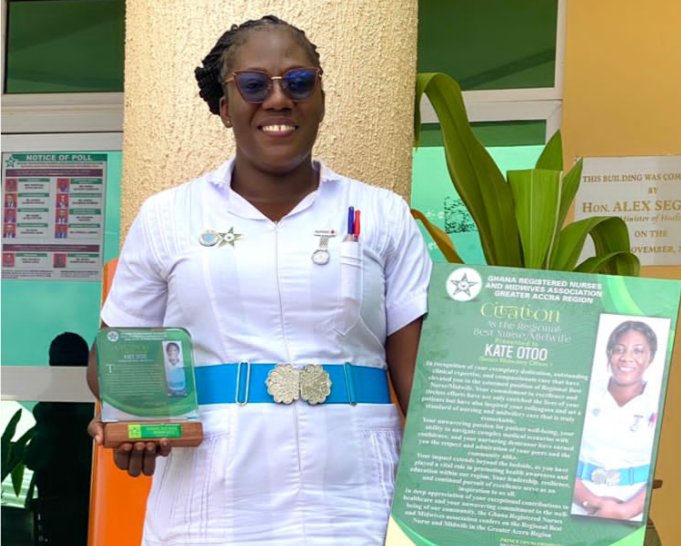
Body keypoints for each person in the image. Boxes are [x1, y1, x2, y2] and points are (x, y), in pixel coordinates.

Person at [86, 15, 431, 546]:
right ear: (225, 106)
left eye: (299, 82)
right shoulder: (168, 216)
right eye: (253, 85)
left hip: (355, 496)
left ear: (320, 97)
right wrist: (135, 417)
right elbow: (115, 355)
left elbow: (419, 377)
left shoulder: (382, 214)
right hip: (212, 495)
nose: (278, 100)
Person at [572, 320, 659, 521]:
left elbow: (670, 468)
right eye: (619, 349)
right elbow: (554, 455)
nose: (626, 357)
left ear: (650, 357)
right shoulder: (582, 391)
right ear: (609, 354)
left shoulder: (662, 401)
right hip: (576, 500)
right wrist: (589, 501)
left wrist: (625, 511)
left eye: (638, 351)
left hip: (636, 509)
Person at [25, 333, 94, 546]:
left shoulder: (52, 406)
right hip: (72, 504)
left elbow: (34, 458)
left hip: (68, 503)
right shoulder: (94, 403)